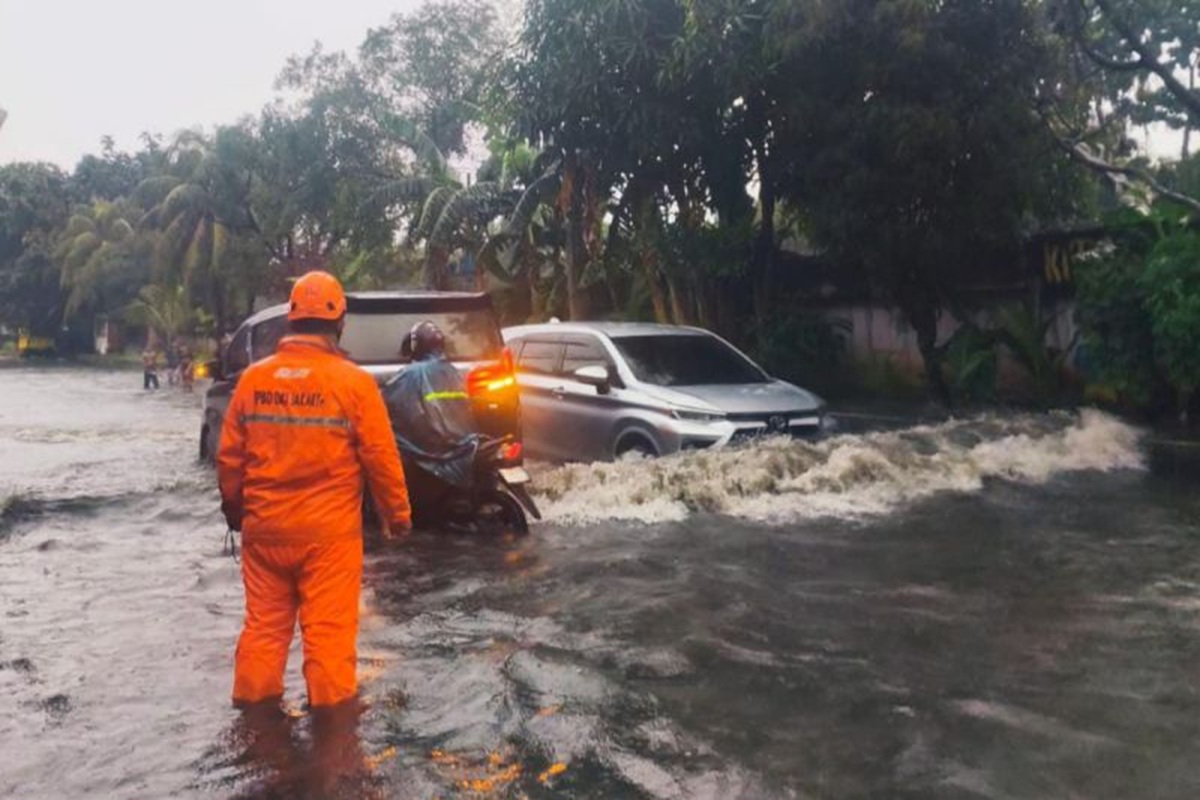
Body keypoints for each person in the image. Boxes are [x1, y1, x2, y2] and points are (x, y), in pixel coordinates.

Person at [216, 271, 412, 710]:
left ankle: (254, 728)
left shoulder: (252, 380)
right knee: (328, 641)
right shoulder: (353, 384)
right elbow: (381, 458)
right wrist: (397, 516)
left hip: (264, 534)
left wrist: (236, 513)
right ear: (339, 323)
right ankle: (332, 745)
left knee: (263, 634)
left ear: (291, 319)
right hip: (328, 541)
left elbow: (229, 460)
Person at [381, 321, 480, 522]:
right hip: (462, 439)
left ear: (416, 345)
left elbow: (390, 398)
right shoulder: (451, 370)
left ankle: (410, 509)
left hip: (437, 443)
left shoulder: (412, 373)